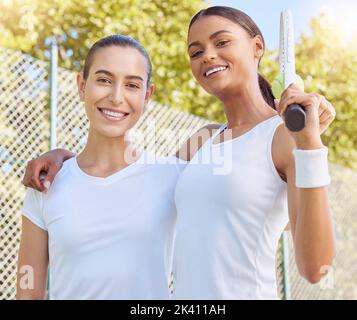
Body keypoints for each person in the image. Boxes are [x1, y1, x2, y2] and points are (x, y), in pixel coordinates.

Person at [22, 6, 336, 299]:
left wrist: (310, 146)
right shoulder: (203, 143)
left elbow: (314, 267)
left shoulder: (284, 137)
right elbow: (133, 174)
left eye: (221, 42)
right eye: (196, 51)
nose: (208, 56)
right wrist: (63, 157)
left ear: (257, 47)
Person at [17, 35, 183, 300]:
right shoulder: (45, 183)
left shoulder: (174, 177)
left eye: (131, 85)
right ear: (82, 86)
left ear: (147, 95)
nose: (117, 97)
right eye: (104, 80)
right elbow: (27, 290)